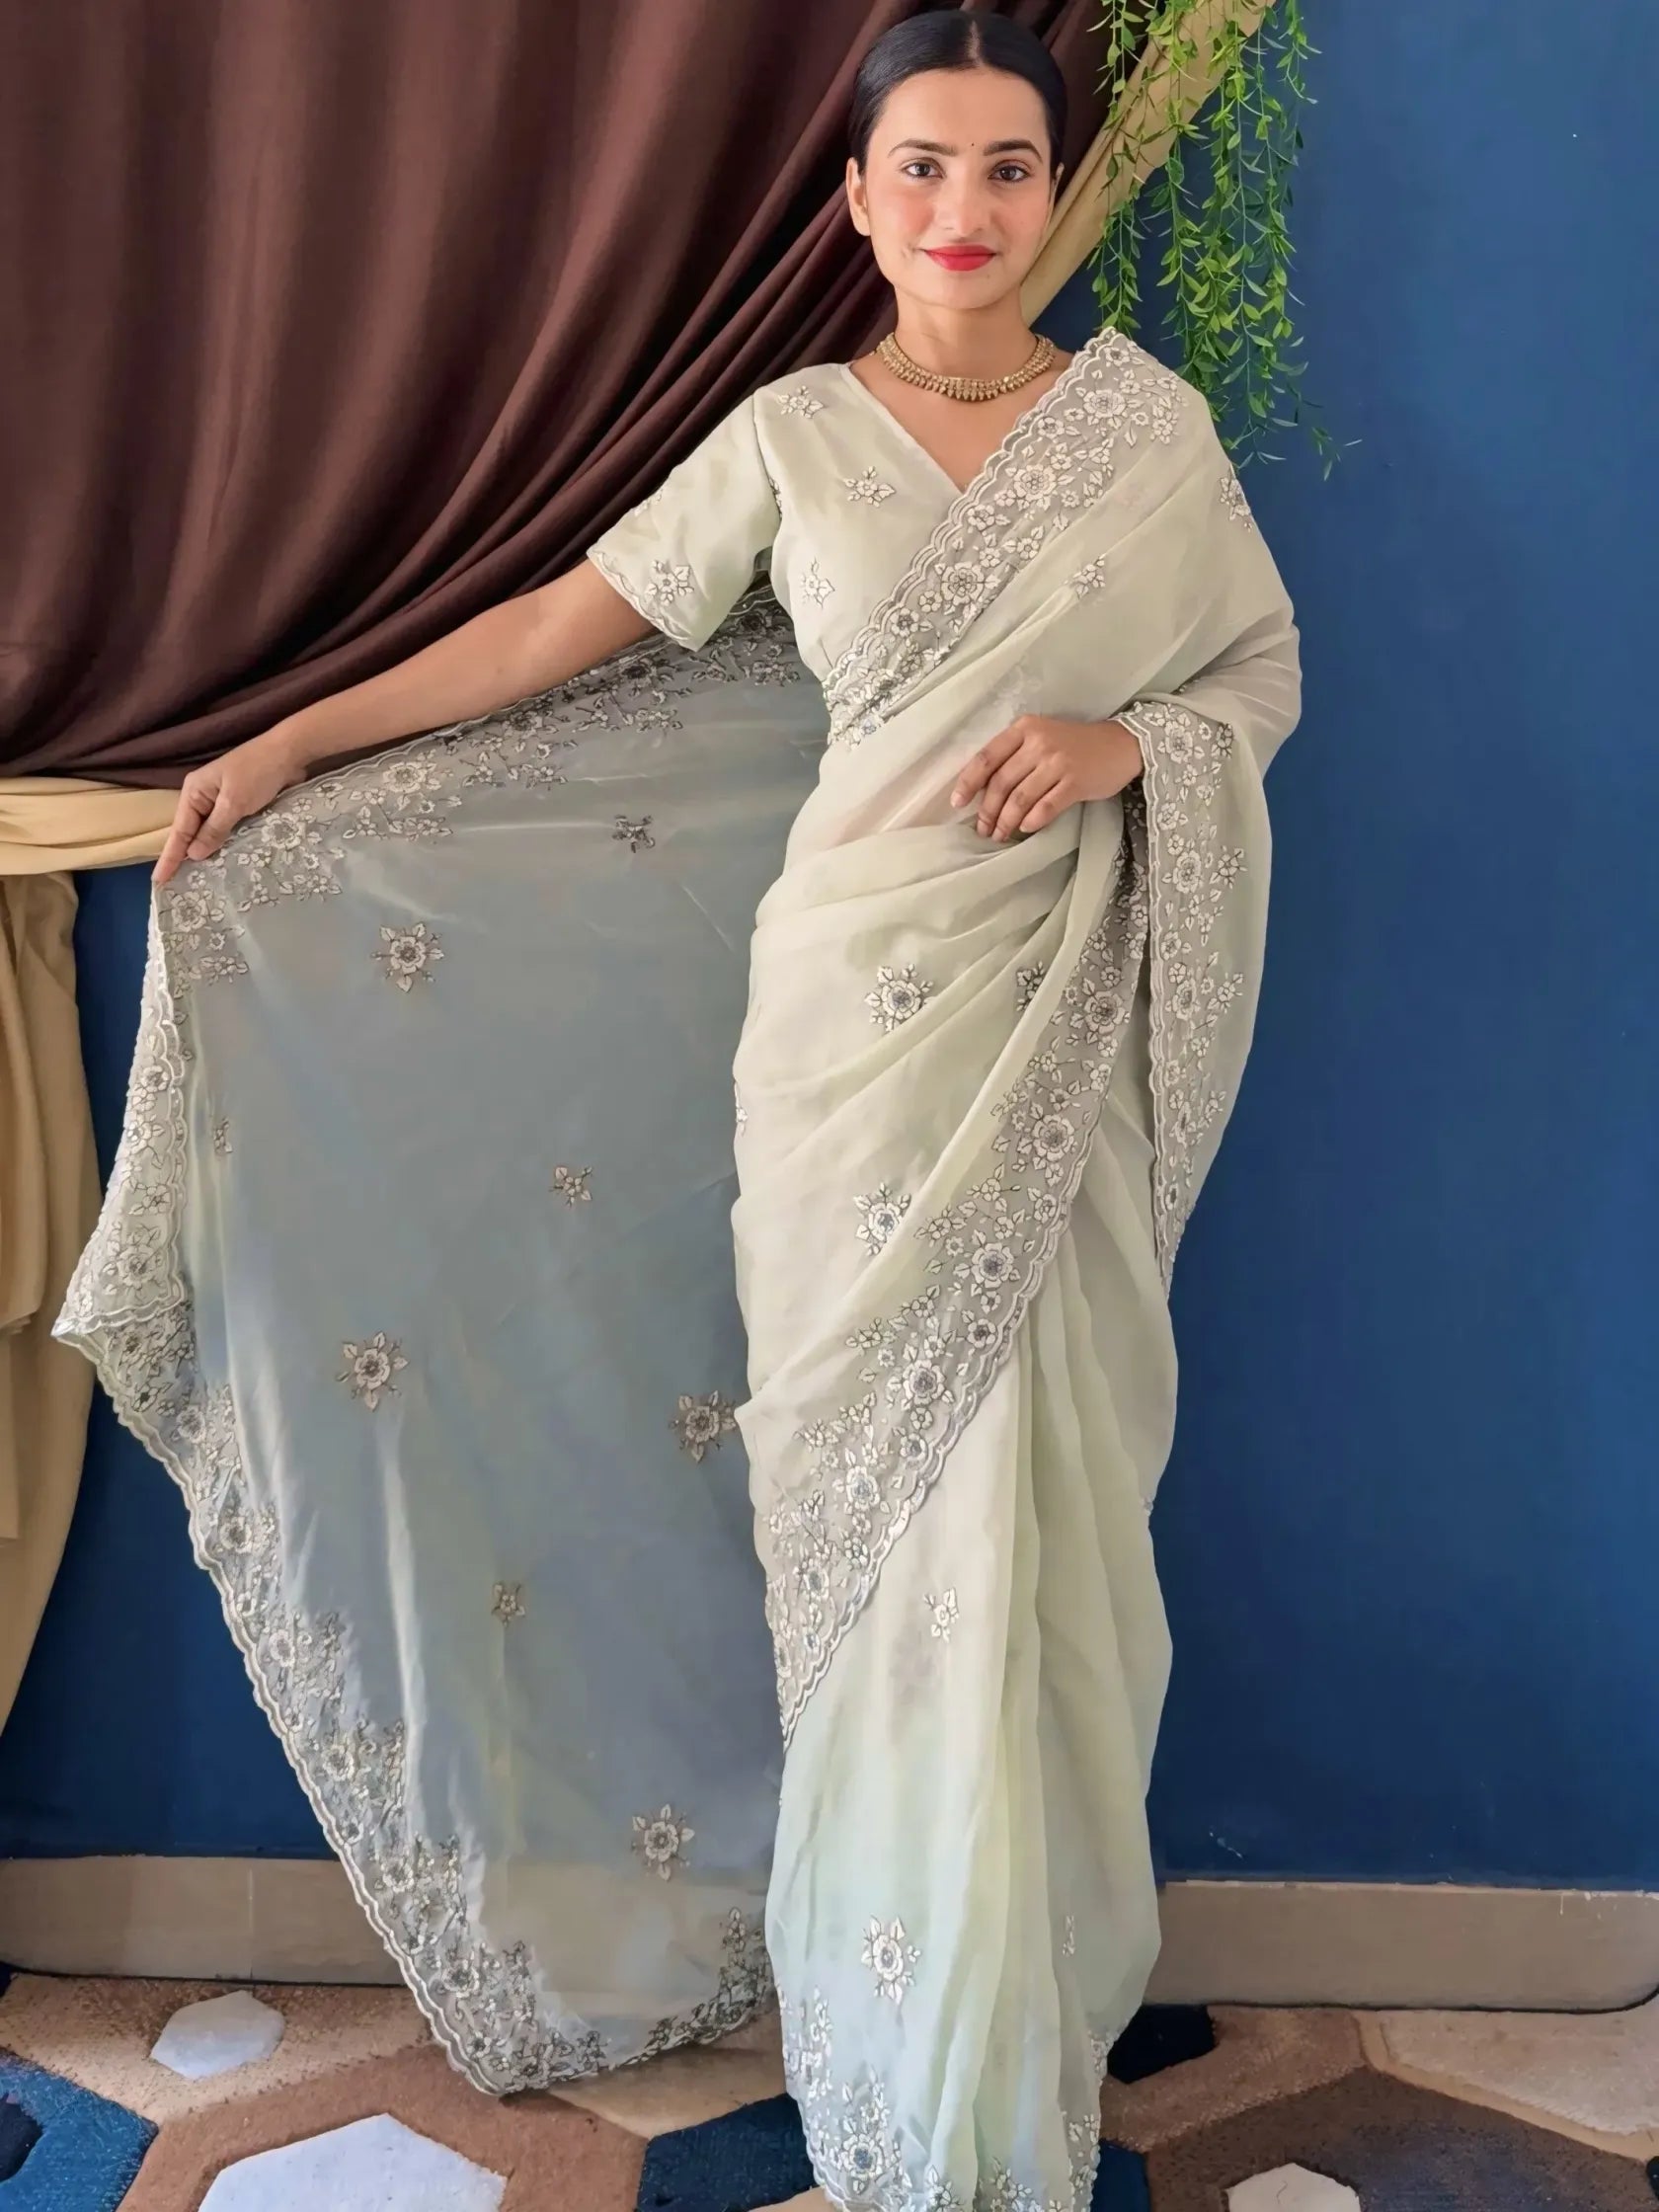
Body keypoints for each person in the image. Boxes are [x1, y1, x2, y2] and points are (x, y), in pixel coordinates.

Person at [72, 13, 1301, 2209]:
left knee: (1036, 1527)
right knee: (864, 1539)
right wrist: (291, 745)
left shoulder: (1147, 437)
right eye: (920, 167)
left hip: (1048, 1039)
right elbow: (560, 626)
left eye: (1008, 169)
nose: (964, 211)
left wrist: (1133, 753)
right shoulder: (794, 436)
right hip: (838, 1058)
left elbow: (1254, 676)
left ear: (1054, 191)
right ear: (855, 202)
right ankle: (894, 2022)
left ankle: (1008, 2028)